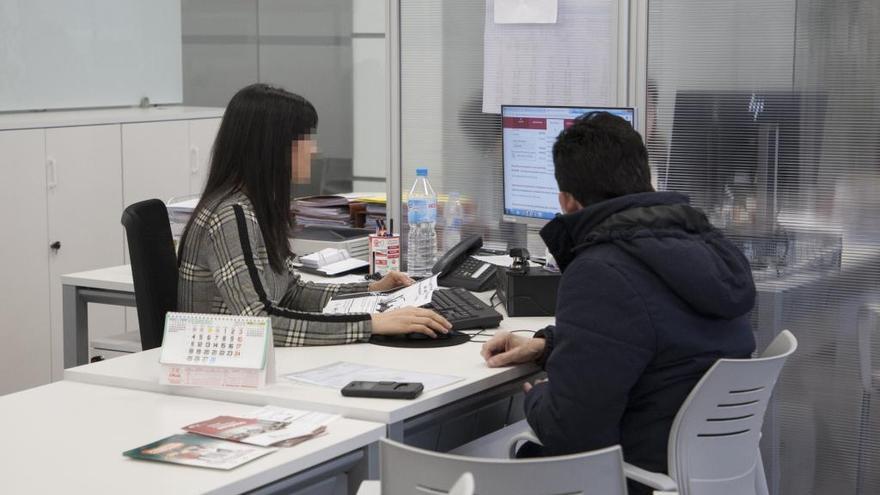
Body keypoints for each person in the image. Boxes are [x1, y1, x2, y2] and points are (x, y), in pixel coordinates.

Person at [480, 112, 756, 494]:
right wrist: (553, 344)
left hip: (636, 478)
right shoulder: (708, 251)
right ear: (645, 179)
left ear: (567, 201)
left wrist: (538, 395)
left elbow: (572, 434)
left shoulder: (601, 271)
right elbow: (662, 338)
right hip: (706, 476)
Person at [178, 83, 451, 346]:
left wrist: (373, 290)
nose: (314, 150)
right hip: (223, 368)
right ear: (274, 147)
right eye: (305, 139)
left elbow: (291, 294)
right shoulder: (230, 215)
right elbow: (259, 323)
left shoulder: (254, 207)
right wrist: (372, 323)